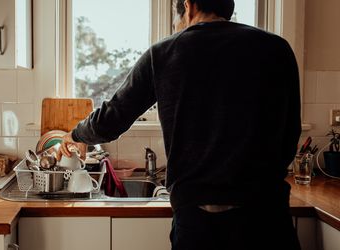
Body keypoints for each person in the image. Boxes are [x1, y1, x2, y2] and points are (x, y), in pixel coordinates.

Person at [58, 0, 302, 249]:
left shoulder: (164, 53)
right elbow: (290, 133)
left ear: (189, 6)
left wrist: (76, 134)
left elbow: (111, 119)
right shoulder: (276, 48)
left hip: (199, 221)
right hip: (266, 215)